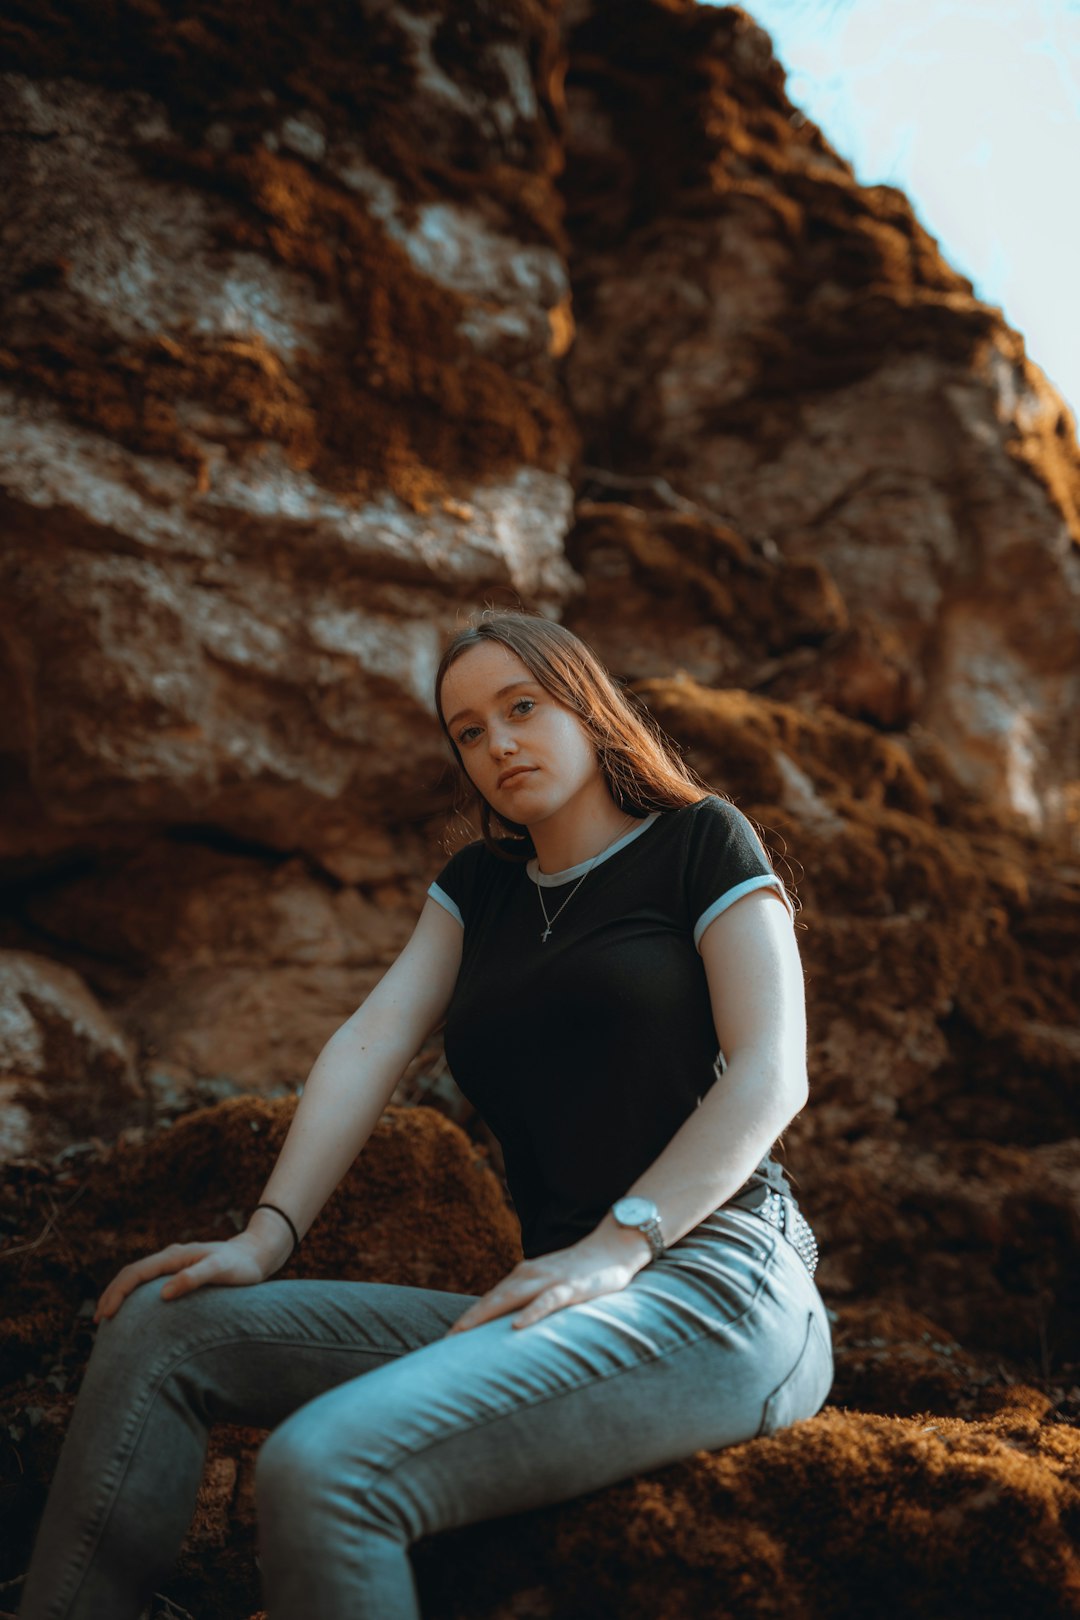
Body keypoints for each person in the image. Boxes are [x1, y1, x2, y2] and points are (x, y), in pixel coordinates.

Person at [18, 610, 833, 1620]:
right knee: (160, 1330)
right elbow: (368, 1046)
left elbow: (771, 1073)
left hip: (720, 1287)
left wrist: (618, 1244)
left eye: (522, 708)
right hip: (552, 1305)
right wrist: (266, 1238)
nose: (498, 744)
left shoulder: (699, 841)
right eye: (469, 730)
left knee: (321, 1466)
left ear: (588, 705)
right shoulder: (478, 890)